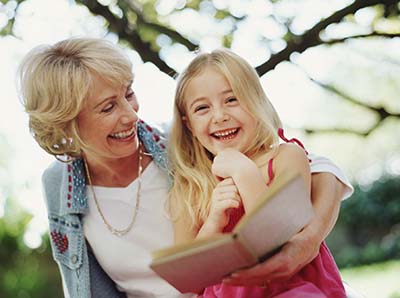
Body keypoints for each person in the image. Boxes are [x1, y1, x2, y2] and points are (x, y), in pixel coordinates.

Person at [17, 38, 351, 298]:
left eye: (129, 94)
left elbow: (312, 167)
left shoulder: (180, 149)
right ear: (68, 125)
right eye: (107, 108)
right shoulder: (59, 185)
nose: (131, 115)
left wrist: (308, 239)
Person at [168, 48, 347, 297]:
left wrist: (244, 172)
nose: (219, 116)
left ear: (255, 102)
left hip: (293, 290)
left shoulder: (288, 157)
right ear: (188, 124)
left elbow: (278, 239)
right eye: (202, 108)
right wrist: (213, 222)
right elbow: (188, 280)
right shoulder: (189, 187)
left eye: (232, 100)